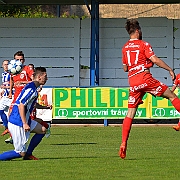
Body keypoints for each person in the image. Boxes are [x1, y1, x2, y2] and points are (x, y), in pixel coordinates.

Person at [119, 18, 180, 159]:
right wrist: (170, 70)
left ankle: (123, 143)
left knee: (130, 114)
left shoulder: (124, 47)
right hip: (145, 79)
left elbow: (125, 68)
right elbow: (155, 60)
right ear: (137, 31)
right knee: (171, 96)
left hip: (133, 82)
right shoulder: (144, 44)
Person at [0, 67, 48, 161]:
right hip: (18, 121)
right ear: (39, 77)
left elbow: (29, 104)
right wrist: (25, 123)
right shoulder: (31, 89)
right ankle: (24, 154)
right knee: (20, 152)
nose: (47, 79)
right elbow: (21, 105)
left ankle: (28, 155)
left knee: (42, 130)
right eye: (45, 76)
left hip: (24, 119)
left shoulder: (32, 87)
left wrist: (45, 107)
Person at [0, 60, 13, 143]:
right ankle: (7, 127)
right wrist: (2, 90)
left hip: (11, 96)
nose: (6, 66)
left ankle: (12, 133)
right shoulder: (3, 74)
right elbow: (5, 84)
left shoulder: (11, 74)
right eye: (4, 65)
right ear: (2, 66)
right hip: (5, 96)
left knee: (12, 114)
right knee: (0, 110)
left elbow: (13, 84)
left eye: (7, 64)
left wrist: (6, 87)